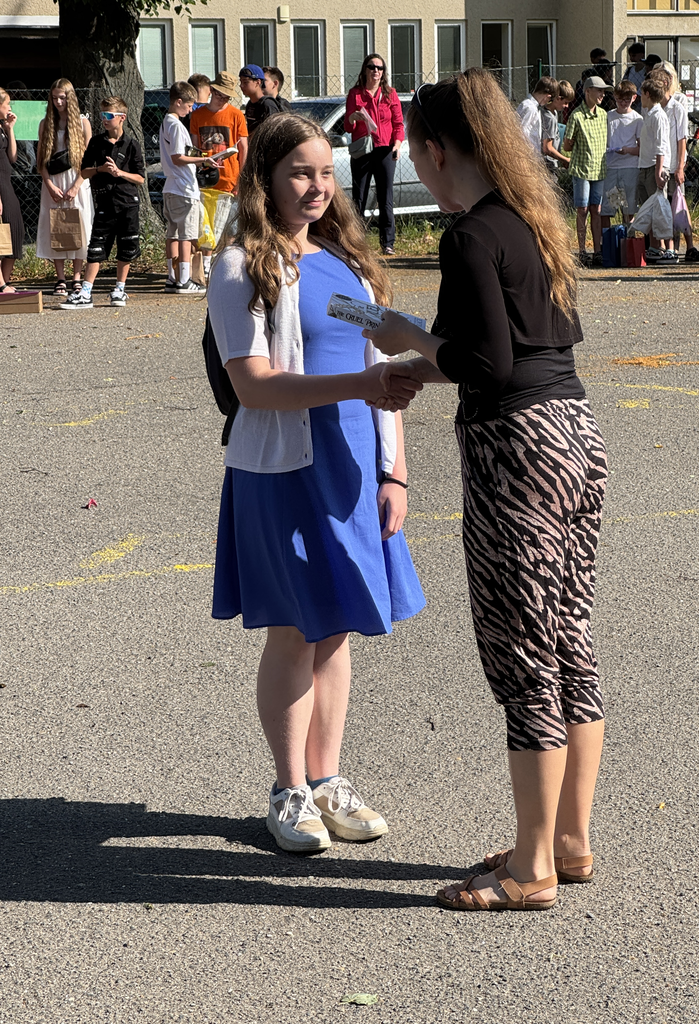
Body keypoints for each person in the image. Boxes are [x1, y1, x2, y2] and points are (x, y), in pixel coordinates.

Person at [363, 68, 606, 912]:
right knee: (568, 642)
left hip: (516, 454)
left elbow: (486, 365)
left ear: (435, 151)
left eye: (412, 151)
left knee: (523, 659)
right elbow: (525, 352)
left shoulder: (468, 235)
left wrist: (406, 336)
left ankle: (531, 870)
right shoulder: (530, 218)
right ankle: (567, 841)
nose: (412, 164)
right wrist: (418, 366)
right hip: (573, 435)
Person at [207, 113, 425, 853]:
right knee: (296, 631)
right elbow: (255, 386)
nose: (318, 186)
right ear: (265, 178)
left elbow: (383, 348)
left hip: (353, 469)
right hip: (283, 472)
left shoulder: (339, 267)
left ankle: (328, 780)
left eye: (327, 172)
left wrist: (394, 471)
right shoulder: (242, 266)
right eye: (301, 172)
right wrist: (362, 386)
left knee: (336, 629)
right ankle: (289, 789)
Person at [60, 96, 144, 310]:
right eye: (102, 115)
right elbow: (84, 171)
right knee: (96, 247)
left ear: (122, 117)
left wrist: (120, 172)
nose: (104, 119)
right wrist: (100, 169)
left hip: (127, 203)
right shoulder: (96, 142)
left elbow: (140, 178)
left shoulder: (132, 144)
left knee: (126, 247)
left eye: (108, 115)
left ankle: (119, 289)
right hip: (105, 203)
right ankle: (86, 292)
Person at [35, 78, 94, 297]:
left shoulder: (82, 123)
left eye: (62, 98)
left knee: (80, 226)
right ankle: (60, 278)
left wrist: (76, 185)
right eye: (55, 98)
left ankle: (77, 277)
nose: (58, 102)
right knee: (56, 226)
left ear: (70, 98)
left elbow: (89, 160)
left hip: (77, 180)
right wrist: (49, 184)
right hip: (54, 181)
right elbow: (41, 161)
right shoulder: (45, 124)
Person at [344, 53, 404, 256]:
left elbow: (398, 124)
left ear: (383, 72)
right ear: (365, 70)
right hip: (363, 150)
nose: (376, 71)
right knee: (359, 197)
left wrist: (397, 144)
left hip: (385, 149)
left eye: (380, 68)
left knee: (385, 196)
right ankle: (356, 242)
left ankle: (388, 243)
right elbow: (348, 127)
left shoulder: (390, 94)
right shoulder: (355, 94)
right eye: (372, 67)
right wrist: (353, 117)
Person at [160, 80, 216, 295]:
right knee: (186, 235)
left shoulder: (167, 122)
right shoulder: (175, 125)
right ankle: (184, 280)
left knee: (173, 234)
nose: (191, 110)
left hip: (172, 187)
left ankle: (172, 277)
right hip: (183, 188)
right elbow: (177, 157)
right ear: (179, 102)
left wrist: (200, 157)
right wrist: (202, 160)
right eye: (189, 105)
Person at [190, 71, 248, 274]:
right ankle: (204, 266)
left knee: (226, 228)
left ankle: (224, 266)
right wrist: (200, 165)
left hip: (228, 179)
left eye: (227, 97)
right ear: (212, 91)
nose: (223, 99)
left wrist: (240, 180)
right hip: (205, 179)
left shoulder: (236, 115)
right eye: (220, 95)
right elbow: (194, 147)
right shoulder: (198, 115)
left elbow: (243, 148)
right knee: (204, 226)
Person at [653, 63, 699, 264]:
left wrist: (680, 166)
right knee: (663, 205)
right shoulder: (654, 105)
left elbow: (682, 138)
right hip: (660, 162)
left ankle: (689, 245)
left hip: (674, 162)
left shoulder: (677, 105)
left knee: (679, 203)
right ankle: (666, 247)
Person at [563, 75, 611, 266]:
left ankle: (597, 250)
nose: (602, 94)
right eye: (599, 90)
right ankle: (582, 250)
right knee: (582, 209)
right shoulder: (576, 116)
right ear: (587, 91)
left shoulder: (604, 115)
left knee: (596, 210)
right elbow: (567, 145)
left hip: (598, 170)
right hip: (582, 169)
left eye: (603, 91)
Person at [636, 75, 671, 262]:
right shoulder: (648, 114)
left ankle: (661, 246)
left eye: (641, 93)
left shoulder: (658, 116)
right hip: (644, 165)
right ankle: (653, 246)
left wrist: (658, 171)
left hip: (654, 167)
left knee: (658, 209)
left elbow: (661, 145)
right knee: (647, 208)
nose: (640, 97)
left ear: (647, 94)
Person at [600, 80, 642, 229]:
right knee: (609, 208)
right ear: (614, 98)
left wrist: (628, 150)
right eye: (620, 100)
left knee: (628, 209)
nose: (623, 103)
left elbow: (641, 149)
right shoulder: (609, 116)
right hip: (612, 167)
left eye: (627, 100)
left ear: (634, 98)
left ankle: (628, 237)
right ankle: (608, 238)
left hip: (629, 168)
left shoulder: (637, 119)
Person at [0, 88, 24, 289]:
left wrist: (10, 129)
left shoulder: (2, 126)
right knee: (1, 233)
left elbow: (13, 157)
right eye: (7, 104)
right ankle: (0, 284)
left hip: (6, 185)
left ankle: (5, 280)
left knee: (15, 230)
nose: (10, 107)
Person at [541, 80, 574, 177]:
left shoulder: (554, 113)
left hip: (551, 162)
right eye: (565, 102)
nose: (567, 106)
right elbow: (547, 148)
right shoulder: (549, 118)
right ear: (558, 98)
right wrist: (565, 159)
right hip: (547, 165)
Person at [516, 77, 558, 152]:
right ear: (547, 96)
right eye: (550, 101)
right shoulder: (530, 108)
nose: (547, 103)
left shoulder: (529, 105)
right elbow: (521, 133)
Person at [240, 65, 280, 134]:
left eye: (245, 82)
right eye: (241, 82)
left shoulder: (268, 104)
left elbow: (274, 132)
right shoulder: (250, 104)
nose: (241, 85)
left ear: (258, 82)